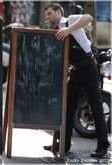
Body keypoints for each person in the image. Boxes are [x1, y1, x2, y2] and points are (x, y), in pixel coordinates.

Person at [43, 3, 110, 157]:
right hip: (75, 70)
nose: (47, 17)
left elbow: (89, 18)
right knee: (67, 107)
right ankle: (63, 146)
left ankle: (103, 146)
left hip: (88, 67)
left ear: (59, 12)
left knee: (96, 106)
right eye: (46, 15)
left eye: (49, 14)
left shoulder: (70, 20)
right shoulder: (54, 31)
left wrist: (67, 29)